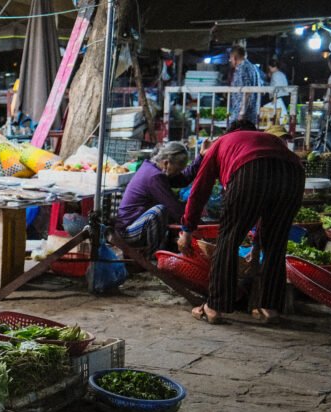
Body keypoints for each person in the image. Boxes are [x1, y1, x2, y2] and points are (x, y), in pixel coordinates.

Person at [178, 120, 303, 325]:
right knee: (276, 244)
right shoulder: (268, 140)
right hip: (293, 174)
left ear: (230, 132)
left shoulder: (222, 142)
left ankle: (214, 307)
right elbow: (265, 202)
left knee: (228, 239)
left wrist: (187, 230)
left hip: (250, 169)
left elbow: (200, 190)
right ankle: (269, 308)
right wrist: (258, 242)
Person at [114, 141, 203, 256]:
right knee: (160, 211)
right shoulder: (154, 177)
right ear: (166, 163)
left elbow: (183, 179)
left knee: (177, 212)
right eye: (177, 170)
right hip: (128, 232)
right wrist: (196, 225)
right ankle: (153, 256)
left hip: (138, 226)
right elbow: (175, 209)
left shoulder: (155, 169)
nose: (177, 173)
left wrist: (201, 156)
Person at [228, 45, 262, 126]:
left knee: (236, 135)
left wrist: (242, 112)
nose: (230, 60)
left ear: (234, 57)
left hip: (243, 114)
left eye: (230, 58)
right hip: (250, 112)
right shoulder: (252, 67)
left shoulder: (242, 68)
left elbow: (247, 91)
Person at [266, 57, 289, 123]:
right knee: (282, 117)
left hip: (278, 98)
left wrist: (274, 99)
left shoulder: (275, 75)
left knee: (278, 119)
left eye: (269, 68)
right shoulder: (281, 74)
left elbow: (275, 88)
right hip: (284, 97)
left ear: (271, 67)